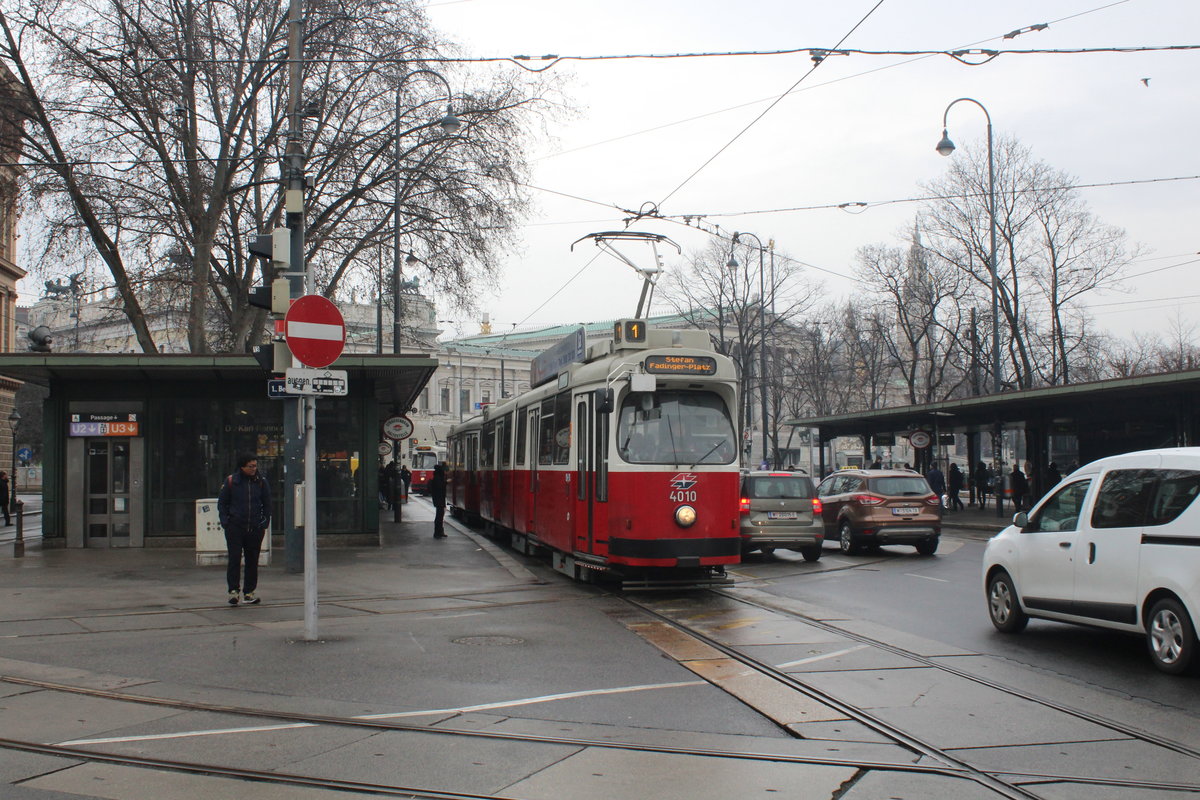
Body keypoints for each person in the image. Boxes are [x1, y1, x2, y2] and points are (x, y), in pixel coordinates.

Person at [217, 454, 272, 606]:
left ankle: (249, 592)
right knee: (234, 558)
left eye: (255, 466)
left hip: (255, 527)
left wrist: (264, 522)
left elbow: (267, 504)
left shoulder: (261, 482)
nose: (254, 469)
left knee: (252, 560)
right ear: (242, 467)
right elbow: (222, 503)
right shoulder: (231, 482)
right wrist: (225, 521)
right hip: (235, 527)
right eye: (250, 466)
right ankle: (233, 591)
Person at [430, 462, 447, 539]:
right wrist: (446, 483)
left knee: (440, 516)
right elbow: (440, 487)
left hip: (438, 500)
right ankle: (438, 532)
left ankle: (439, 531)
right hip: (439, 500)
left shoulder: (436, 477)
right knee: (439, 516)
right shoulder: (438, 479)